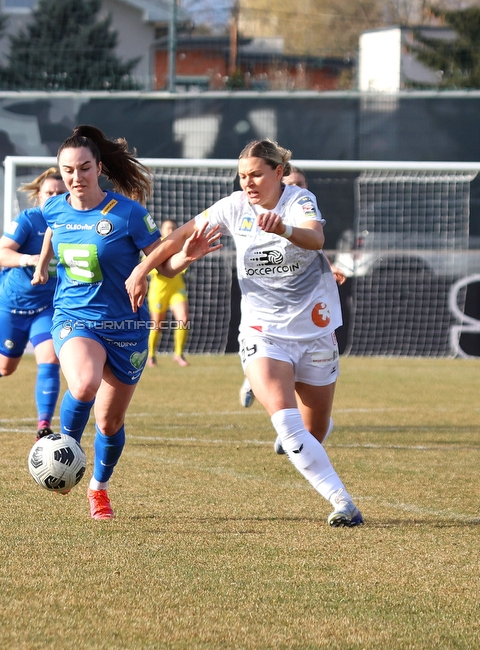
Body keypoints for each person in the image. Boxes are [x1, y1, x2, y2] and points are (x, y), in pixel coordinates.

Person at [126, 139, 364, 527]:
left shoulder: (300, 200)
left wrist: (285, 228)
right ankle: (344, 503)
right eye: (242, 176)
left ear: (277, 173)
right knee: (288, 428)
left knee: (314, 429)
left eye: (255, 174)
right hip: (262, 331)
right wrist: (141, 270)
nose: (248, 183)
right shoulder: (234, 206)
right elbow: (175, 238)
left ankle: (310, 437)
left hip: (315, 332)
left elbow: (316, 238)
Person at [32, 125, 221, 520]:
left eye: (84, 168)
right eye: (67, 170)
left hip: (124, 328)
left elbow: (164, 268)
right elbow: (52, 229)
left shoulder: (128, 214)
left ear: (99, 168)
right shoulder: (54, 206)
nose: (75, 177)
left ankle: (98, 489)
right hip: (73, 318)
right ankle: (64, 449)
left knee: (110, 420)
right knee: (83, 383)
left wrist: (188, 255)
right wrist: (42, 265)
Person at [240, 165, 347, 415]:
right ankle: (259, 376)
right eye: (293, 183)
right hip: (271, 307)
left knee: (308, 381)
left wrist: (328, 266)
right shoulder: (269, 216)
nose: (298, 188)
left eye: (302, 183)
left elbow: (311, 247)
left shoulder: (305, 208)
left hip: (305, 307)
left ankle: (300, 429)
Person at [0, 169, 66, 439]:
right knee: (7, 367)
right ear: (38, 197)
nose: (54, 197)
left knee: (50, 359)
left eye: (60, 193)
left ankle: (43, 426)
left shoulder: (74, 223)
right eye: (49, 193)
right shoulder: (29, 220)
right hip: (12, 306)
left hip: (46, 306)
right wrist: (30, 259)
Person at [146, 219, 191, 367]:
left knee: (183, 319)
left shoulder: (180, 247)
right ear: (161, 231)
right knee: (157, 325)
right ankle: (151, 355)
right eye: (167, 228)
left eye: (173, 228)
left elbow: (182, 265)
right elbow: (154, 268)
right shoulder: (153, 247)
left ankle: (178, 354)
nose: (170, 231)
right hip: (159, 291)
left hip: (176, 288)